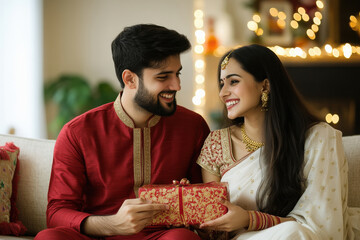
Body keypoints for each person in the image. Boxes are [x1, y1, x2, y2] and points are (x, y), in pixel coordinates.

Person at [35, 24, 210, 240]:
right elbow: (57, 213)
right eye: (164, 77)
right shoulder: (77, 133)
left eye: (177, 74)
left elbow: (206, 201)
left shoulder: (193, 126)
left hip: (162, 237)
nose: (177, 85)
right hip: (99, 236)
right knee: (48, 238)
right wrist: (112, 224)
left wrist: (189, 199)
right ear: (130, 79)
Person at [196, 44, 359, 239]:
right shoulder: (216, 144)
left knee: (292, 232)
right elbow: (215, 227)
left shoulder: (318, 138)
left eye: (233, 82)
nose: (223, 93)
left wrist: (250, 218)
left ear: (265, 85)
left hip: (301, 236)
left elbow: (320, 221)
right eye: (222, 83)